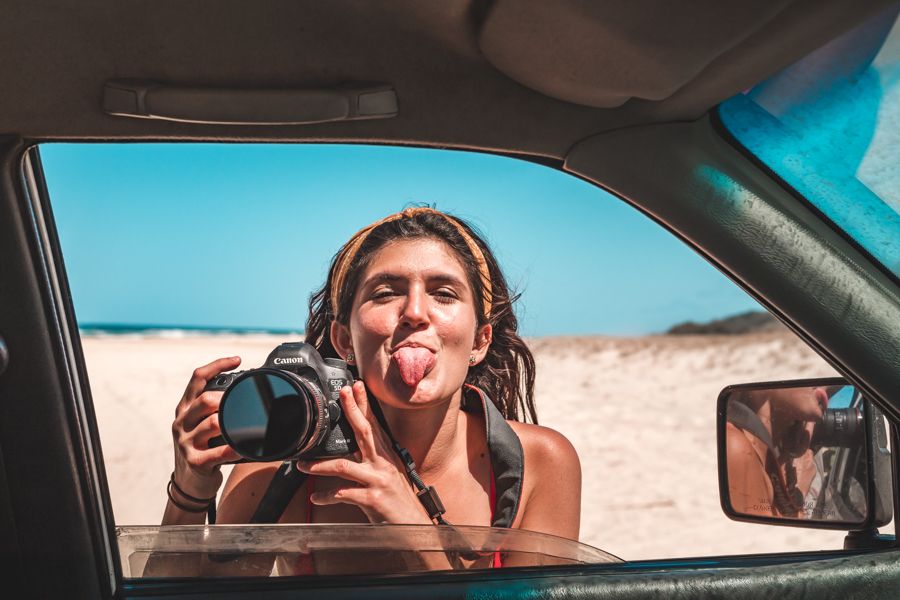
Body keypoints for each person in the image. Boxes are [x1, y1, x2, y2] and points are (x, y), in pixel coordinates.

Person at [161, 207, 581, 573]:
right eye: (385, 293)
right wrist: (189, 490)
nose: (415, 312)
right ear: (344, 341)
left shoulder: (538, 464)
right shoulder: (279, 468)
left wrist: (414, 533)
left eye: (443, 293)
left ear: (479, 341)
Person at [725, 385, 833, 519]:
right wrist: (801, 486)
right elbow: (766, 536)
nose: (826, 386)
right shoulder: (735, 447)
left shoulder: (765, 454)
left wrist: (792, 492)